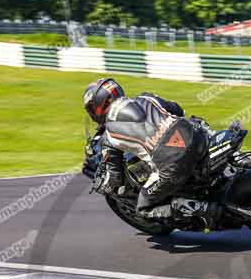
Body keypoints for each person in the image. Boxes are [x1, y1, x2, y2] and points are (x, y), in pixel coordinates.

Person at [83, 78, 221, 227]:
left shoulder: (109, 136)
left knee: (143, 209)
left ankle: (202, 208)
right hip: (196, 135)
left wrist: (104, 185)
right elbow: (178, 110)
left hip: (172, 164)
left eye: (91, 108)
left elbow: (115, 177)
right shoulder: (146, 97)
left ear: (99, 105)